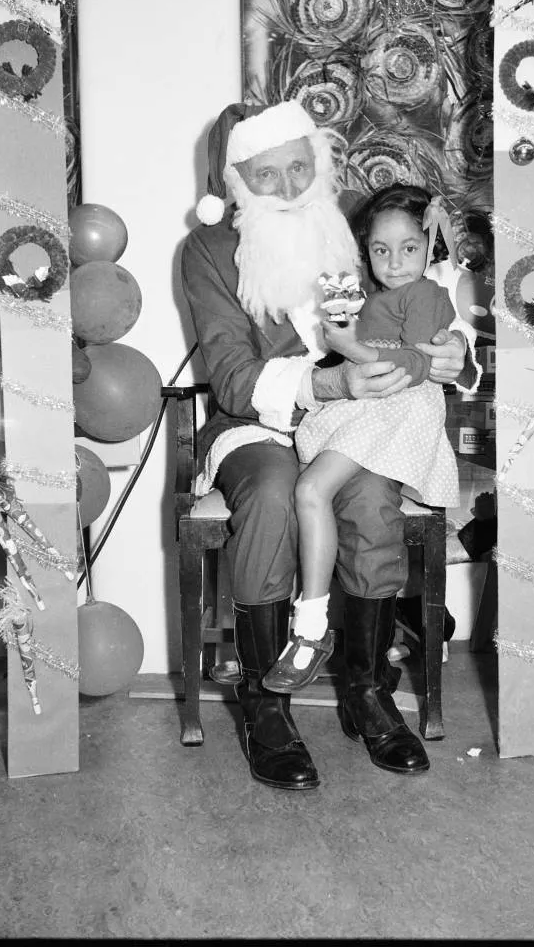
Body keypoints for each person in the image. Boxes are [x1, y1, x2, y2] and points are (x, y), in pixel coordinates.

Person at [182, 99, 479, 791]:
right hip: (260, 421)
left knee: (373, 496)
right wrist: (331, 386)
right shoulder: (207, 251)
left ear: (316, 162)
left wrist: (452, 352)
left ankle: (365, 688)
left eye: (297, 167)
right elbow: (231, 376)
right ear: (236, 181)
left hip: (356, 423)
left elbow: (419, 293)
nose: (286, 188)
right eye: (265, 174)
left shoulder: (347, 228)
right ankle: (266, 704)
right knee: (273, 492)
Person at [262, 185, 460, 698]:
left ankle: (311, 628)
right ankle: (324, 626)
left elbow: (416, 363)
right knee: (311, 493)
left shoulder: (426, 295)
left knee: (311, 491)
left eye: (409, 248)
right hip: (365, 406)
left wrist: (349, 343)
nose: (394, 263)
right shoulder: (367, 293)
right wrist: (342, 326)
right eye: (380, 250)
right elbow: (345, 341)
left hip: (397, 410)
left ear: (429, 244)